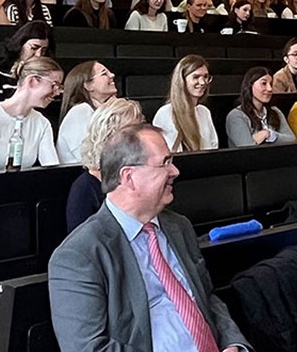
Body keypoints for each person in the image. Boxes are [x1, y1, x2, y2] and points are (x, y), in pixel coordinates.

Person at [48, 124, 251, 352]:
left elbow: (206, 298)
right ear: (129, 177)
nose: (175, 171)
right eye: (165, 163)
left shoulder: (178, 227)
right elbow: (87, 348)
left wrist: (233, 344)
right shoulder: (80, 254)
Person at [0, 57, 62, 171]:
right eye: (54, 85)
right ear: (32, 81)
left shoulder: (42, 123)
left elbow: (52, 169)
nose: (57, 92)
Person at [65, 98, 145, 233]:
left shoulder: (140, 175)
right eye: (132, 134)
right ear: (109, 137)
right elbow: (80, 243)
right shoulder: (84, 188)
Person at [57, 61, 120, 164]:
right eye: (104, 73)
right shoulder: (80, 111)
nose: (112, 75)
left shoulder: (100, 111)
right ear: (88, 85)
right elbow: (87, 158)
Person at [152, 55, 218, 152]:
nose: (203, 82)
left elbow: (213, 147)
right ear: (182, 80)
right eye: (196, 77)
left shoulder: (204, 112)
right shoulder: (166, 113)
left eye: (206, 77)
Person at [0, 21, 51, 102]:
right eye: (34, 48)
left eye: (43, 50)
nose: (38, 55)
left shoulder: (49, 76)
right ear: (20, 45)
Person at [225, 67, 296, 147]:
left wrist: (269, 135)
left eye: (271, 84)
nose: (269, 89)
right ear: (250, 85)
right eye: (264, 83)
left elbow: (292, 139)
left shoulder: (275, 111)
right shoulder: (237, 116)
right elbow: (247, 147)